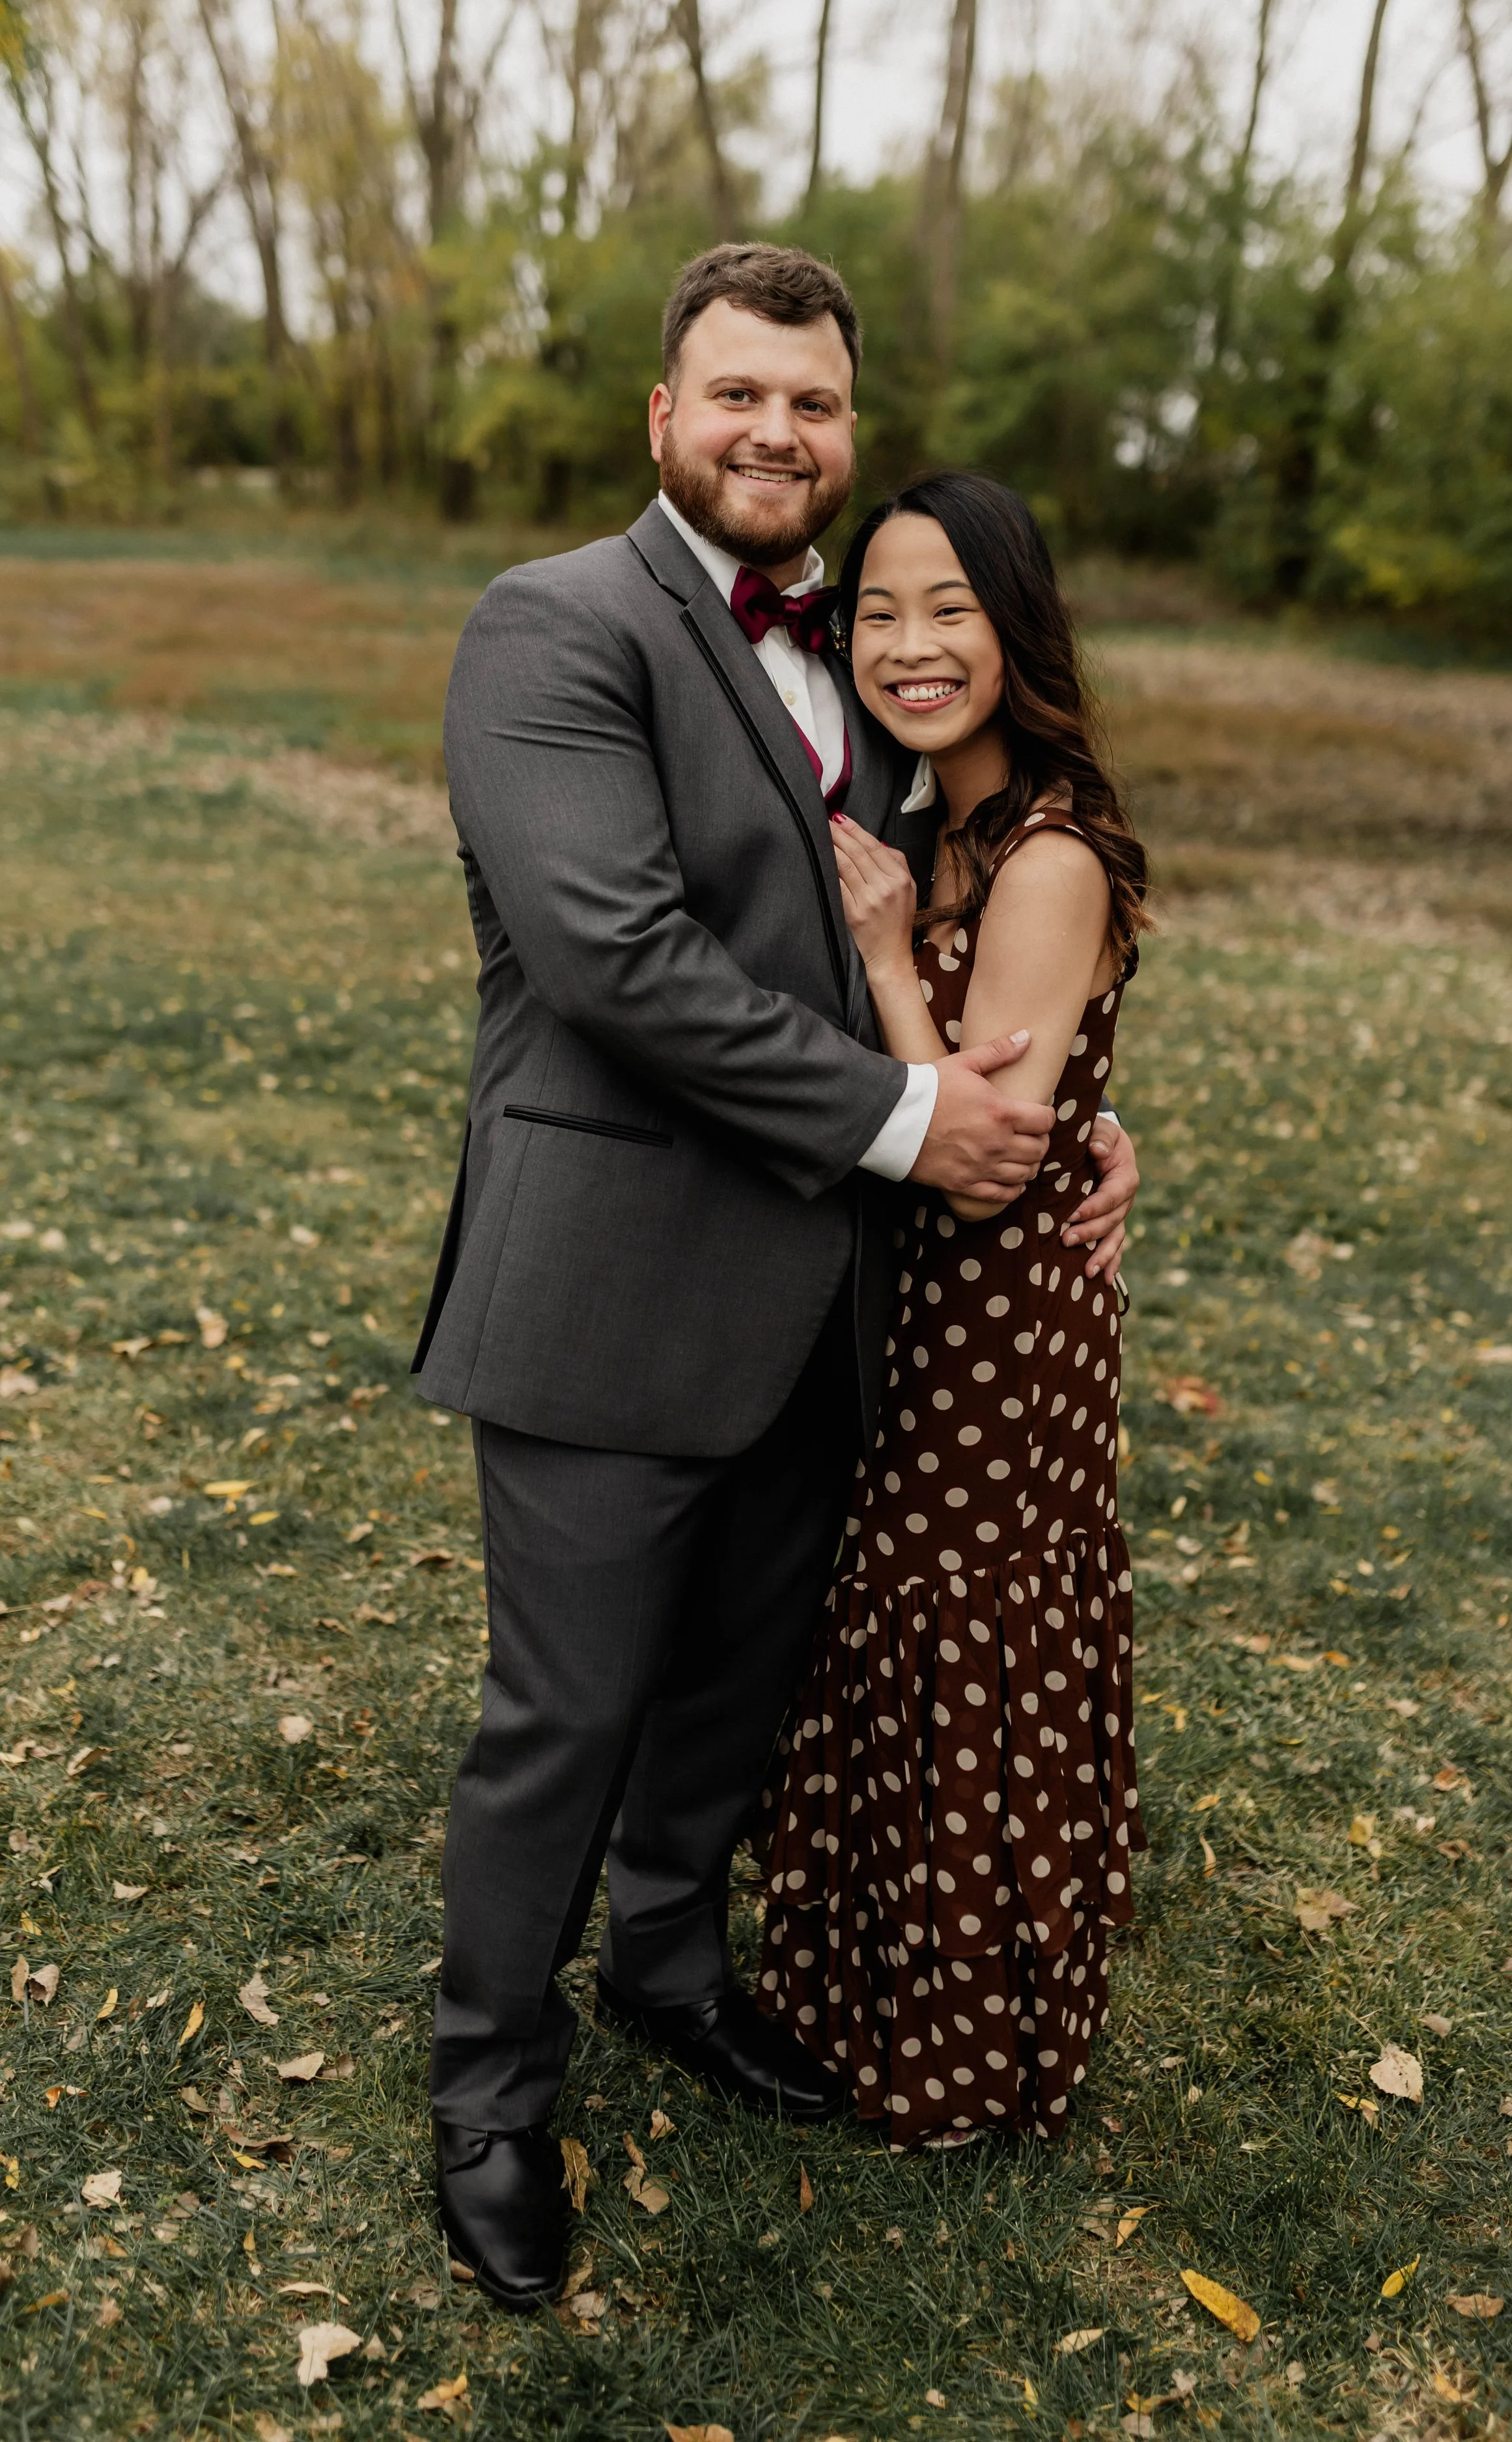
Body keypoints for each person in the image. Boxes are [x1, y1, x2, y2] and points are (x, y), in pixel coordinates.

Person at [411, 246, 1143, 2307]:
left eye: (810, 404)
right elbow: (617, 962)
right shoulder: (551, 626)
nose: (774, 433)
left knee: (736, 1681)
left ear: (842, 427)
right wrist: (925, 1129)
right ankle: (485, 2094)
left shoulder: (867, 650)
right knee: (564, 1713)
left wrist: (1074, 1113)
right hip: (614, 1282)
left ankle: (670, 1962)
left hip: (830, 1304)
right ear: (663, 416)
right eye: (735, 395)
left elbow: (924, 934)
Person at [758, 471, 1149, 2149]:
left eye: (952, 612)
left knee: (962, 1638)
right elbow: (1046, 1089)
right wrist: (1102, 1124)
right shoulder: (947, 820)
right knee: (901, 1624)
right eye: (881, 612)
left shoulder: (1046, 850)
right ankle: (863, 1982)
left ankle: (961, 2038)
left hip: (998, 1315)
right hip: (938, 1296)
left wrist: (886, 955)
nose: (911, 647)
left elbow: (980, 1158)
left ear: (1018, 629)